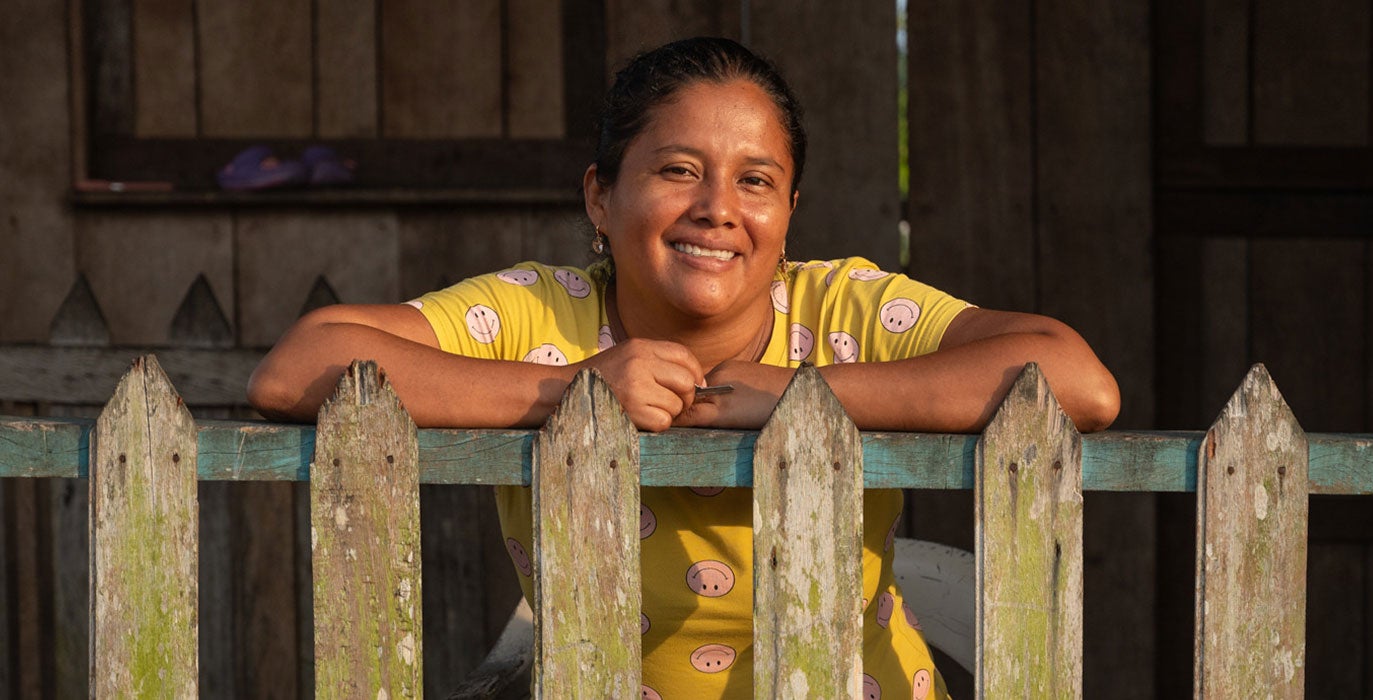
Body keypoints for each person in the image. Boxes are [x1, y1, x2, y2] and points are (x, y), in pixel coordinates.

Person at [248, 36, 1119, 699]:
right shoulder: (542, 315)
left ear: (788, 211)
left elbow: (1078, 382)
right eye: (677, 170)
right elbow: (298, 367)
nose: (717, 211)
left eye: (756, 181)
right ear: (600, 195)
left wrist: (802, 393)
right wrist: (572, 389)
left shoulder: (845, 311)